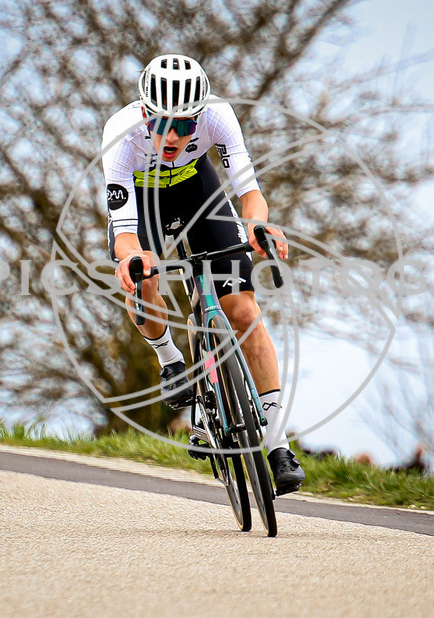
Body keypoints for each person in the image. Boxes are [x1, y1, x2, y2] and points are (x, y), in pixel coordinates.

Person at [101, 53, 304, 495]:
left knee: (244, 313)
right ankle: (171, 361)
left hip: (198, 191)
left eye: (185, 125)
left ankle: (277, 445)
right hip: (143, 202)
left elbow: (249, 192)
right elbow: (125, 234)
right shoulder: (120, 134)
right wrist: (132, 258)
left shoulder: (218, 116)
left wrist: (258, 227)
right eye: (162, 124)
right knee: (143, 279)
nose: (172, 136)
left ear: (199, 117)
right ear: (145, 114)